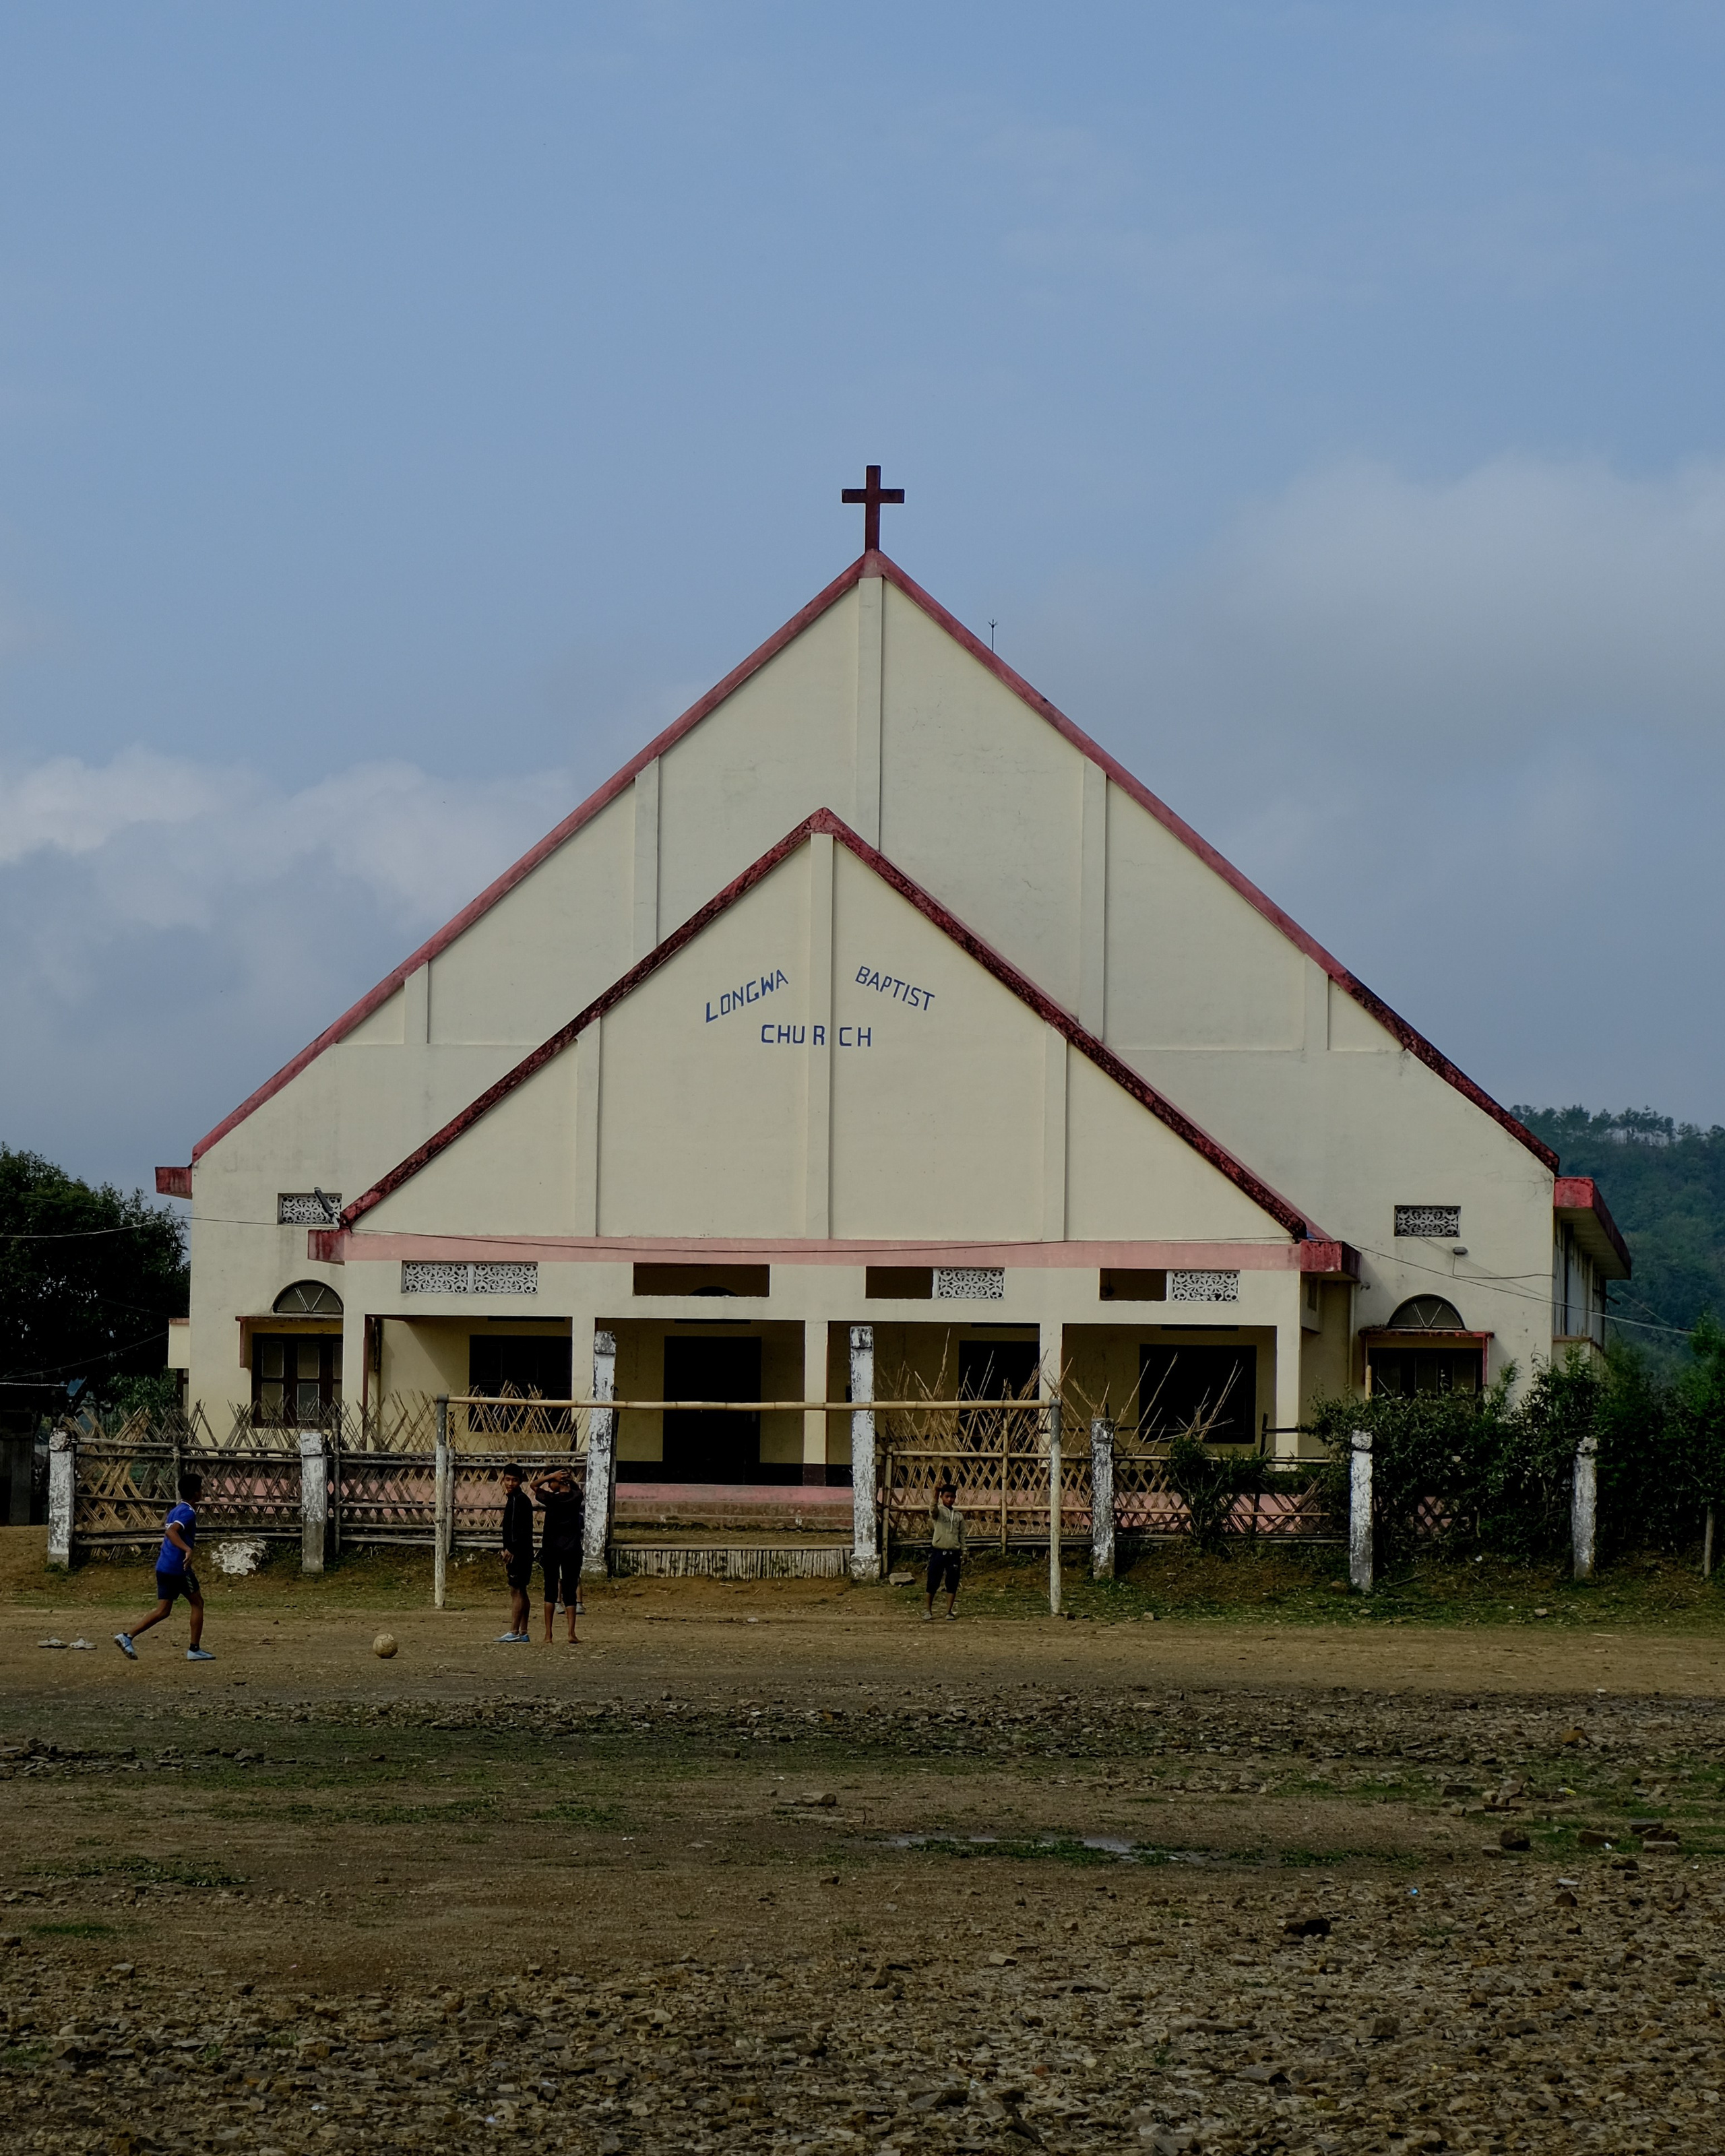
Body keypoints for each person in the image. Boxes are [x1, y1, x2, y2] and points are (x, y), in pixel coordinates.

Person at [115, 1473, 214, 1661]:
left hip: (164, 1566)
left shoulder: (176, 1510)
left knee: (163, 1611)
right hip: (179, 1568)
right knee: (198, 1603)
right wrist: (187, 1550)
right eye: (201, 1488)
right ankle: (194, 1649)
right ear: (195, 1492)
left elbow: (167, 1536)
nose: (203, 1491)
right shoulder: (188, 1512)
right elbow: (171, 1532)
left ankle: (127, 1637)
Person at [530, 1465, 584, 1643]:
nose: (548, 1486)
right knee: (570, 1590)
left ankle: (548, 1634)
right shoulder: (576, 1497)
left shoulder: (550, 1499)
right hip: (572, 1548)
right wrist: (566, 1479)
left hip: (552, 1548)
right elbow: (576, 1488)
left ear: (555, 1482)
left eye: (550, 1482)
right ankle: (571, 1633)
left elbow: (533, 1485)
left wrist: (550, 1476)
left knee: (550, 1590)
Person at [497, 1463, 534, 1643]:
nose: (510, 1483)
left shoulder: (519, 1500)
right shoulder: (514, 1499)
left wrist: (511, 1549)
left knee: (517, 1590)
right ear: (503, 1479)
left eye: (514, 1480)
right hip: (522, 1551)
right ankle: (524, 1632)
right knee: (521, 1590)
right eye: (508, 1479)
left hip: (519, 1553)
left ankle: (513, 1631)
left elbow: (519, 1530)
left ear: (520, 1481)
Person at [924, 1476, 968, 1621]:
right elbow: (932, 1509)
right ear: (942, 1497)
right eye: (947, 1496)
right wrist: (935, 1495)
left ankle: (949, 1612)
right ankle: (928, 1611)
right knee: (933, 1582)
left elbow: (962, 1535)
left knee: (952, 1582)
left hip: (953, 1553)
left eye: (952, 1497)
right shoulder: (938, 1513)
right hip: (938, 1552)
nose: (950, 1500)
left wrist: (964, 1550)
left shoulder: (959, 1516)